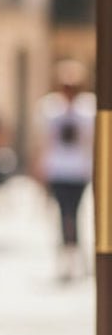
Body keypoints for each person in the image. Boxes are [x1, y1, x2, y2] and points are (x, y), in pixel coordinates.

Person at [36, 59, 96, 281]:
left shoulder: (88, 109)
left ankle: (77, 256)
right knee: (63, 214)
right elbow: (43, 141)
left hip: (79, 171)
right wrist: (40, 170)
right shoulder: (50, 109)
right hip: (58, 170)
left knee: (76, 213)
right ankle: (66, 257)